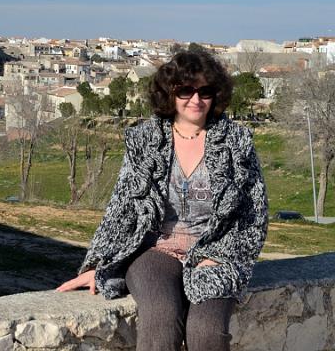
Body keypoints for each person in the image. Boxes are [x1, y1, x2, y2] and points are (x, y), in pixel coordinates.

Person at [56, 50, 268, 351]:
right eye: (185, 90)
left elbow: (254, 213)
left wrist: (223, 255)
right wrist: (98, 265)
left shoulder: (236, 142)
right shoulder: (145, 140)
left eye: (205, 91)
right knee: (160, 319)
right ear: (170, 93)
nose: (196, 99)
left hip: (215, 253)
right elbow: (122, 207)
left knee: (206, 331)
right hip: (156, 250)